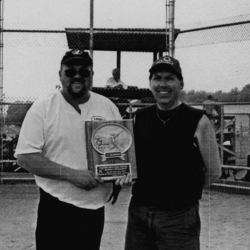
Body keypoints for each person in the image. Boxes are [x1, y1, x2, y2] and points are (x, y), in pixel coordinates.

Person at [15, 49, 132, 250]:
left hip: (94, 209)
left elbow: (121, 152)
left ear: (92, 75)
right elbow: (25, 157)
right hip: (56, 207)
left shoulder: (107, 106)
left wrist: (122, 173)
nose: (77, 76)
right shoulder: (43, 107)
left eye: (84, 72)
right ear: (60, 74)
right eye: (70, 71)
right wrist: (72, 175)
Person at [124, 55, 221, 250]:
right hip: (139, 213)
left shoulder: (197, 120)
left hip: (179, 218)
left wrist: (183, 193)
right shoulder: (139, 118)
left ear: (181, 83)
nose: (163, 84)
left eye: (170, 78)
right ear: (150, 83)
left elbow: (214, 171)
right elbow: (131, 163)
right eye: (157, 78)